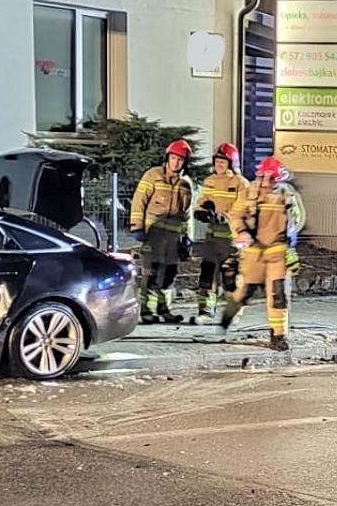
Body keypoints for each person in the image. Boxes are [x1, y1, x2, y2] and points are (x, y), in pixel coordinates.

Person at [220, 157, 304, 351]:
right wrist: (241, 232)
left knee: (278, 294)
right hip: (252, 252)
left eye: (271, 177)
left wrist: (290, 244)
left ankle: (278, 335)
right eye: (263, 176)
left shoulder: (286, 195)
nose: (266, 181)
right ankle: (226, 320)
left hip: (276, 252)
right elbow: (235, 215)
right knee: (244, 292)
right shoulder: (249, 192)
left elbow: (294, 221)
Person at [129, 140, 194, 324]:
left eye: (180, 160)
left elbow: (186, 215)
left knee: (169, 274)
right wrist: (137, 227)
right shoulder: (153, 176)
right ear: (167, 158)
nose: (176, 163)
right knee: (152, 272)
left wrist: (187, 238)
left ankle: (164, 310)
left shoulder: (185, 184)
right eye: (173, 158)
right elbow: (139, 201)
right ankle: (147, 311)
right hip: (153, 235)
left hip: (173, 239)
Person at [192, 143, 249, 318]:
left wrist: (223, 217)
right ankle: (206, 309)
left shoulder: (241, 183)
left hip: (231, 238)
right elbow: (203, 200)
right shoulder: (210, 181)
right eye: (217, 161)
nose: (219, 164)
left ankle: (234, 312)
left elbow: (241, 209)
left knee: (230, 276)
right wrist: (201, 211)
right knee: (208, 273)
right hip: (212, 237)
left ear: (232, 163)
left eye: (223, 161)